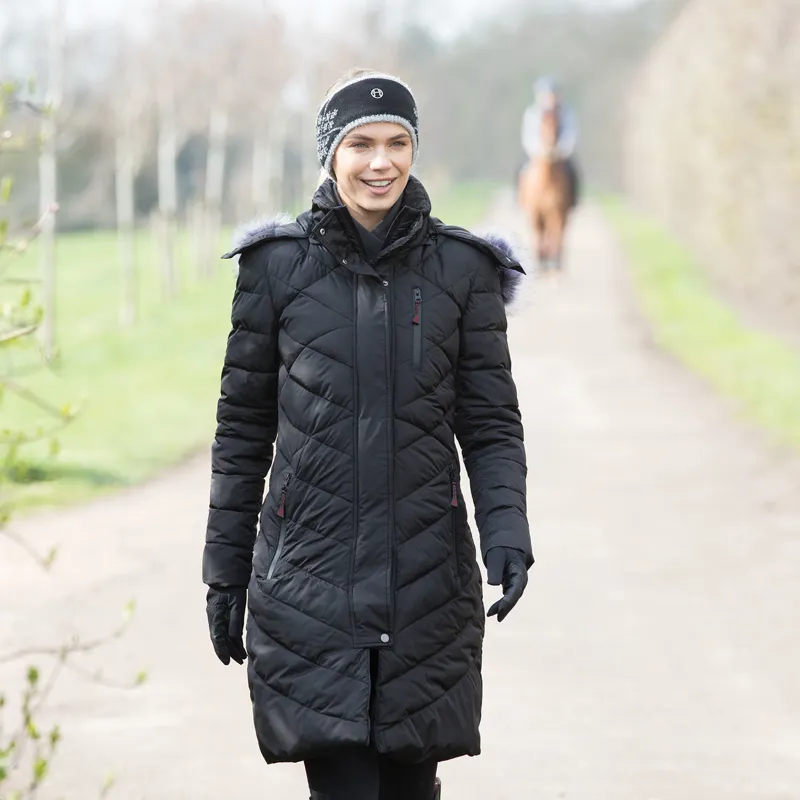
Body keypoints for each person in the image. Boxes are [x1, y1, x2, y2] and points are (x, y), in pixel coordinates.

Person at [203, 68, 534, 800]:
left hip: (427, 585)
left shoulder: (463, 270)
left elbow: (490, 423)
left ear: (414, 151)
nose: (380, 162)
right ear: (331, 154)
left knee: (413, 789)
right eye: (361, 144)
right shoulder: (274, 269)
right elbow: (242, 431)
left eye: (396, 143)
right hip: (309, 585)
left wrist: (507, 530)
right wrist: (224, 571)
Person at [520, 76, 580, 207]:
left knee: (572, 172)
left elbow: (570, 134)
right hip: (537, 155)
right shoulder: (532, 113)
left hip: (560, 156)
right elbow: (528, 136)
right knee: (522, 170)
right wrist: (541, 151)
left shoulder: (566, 113)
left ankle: (573, 201)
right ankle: (520, 200)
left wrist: (559, 151)